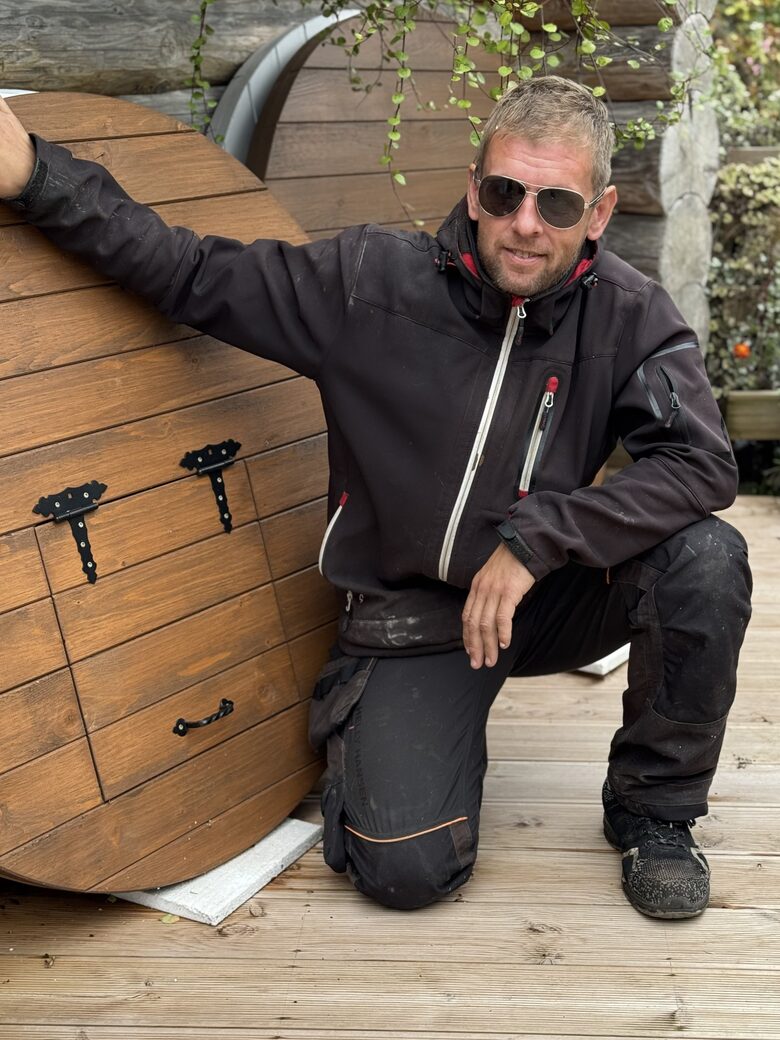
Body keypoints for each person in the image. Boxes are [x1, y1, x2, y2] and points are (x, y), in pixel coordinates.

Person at [0, 76, 751, 919]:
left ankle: (655, 811)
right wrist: (35, 175)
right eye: (504, 193)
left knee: (706, 557)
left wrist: (538, 540)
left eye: (558, 203)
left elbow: (700, 463)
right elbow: (188, 271)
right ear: (474, 186)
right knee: (402, 870)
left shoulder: (630, 316)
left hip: (544, 593)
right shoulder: (368, 282)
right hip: (414, 617)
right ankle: (397, 730)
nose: (525, 223)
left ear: (600, 213)